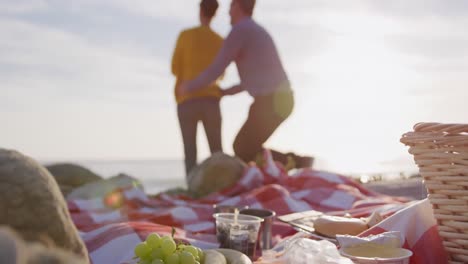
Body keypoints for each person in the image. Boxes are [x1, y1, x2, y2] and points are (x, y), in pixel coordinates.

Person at [180, 0, 312, 168]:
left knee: (242, 147)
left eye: (231, 6)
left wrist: (188, 87)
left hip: (272, 100)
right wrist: (226, 92)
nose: (228, 11)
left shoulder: (240, 31)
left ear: (238, 6)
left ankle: (298, 163)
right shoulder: (253, 30)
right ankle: (292, 166)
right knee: (247, 148)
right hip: (280, 99)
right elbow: (252, 80)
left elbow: (216, 69)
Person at [171, 0, 225, 176]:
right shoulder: (219, 40)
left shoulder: (185, 35)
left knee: (190, 152)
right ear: (215, 13)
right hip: (211, 101)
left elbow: (174, 68)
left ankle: (193, 192)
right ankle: (221, 191)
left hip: (187, 101)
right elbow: (221, 73)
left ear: (200, 10)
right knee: (217, 152)